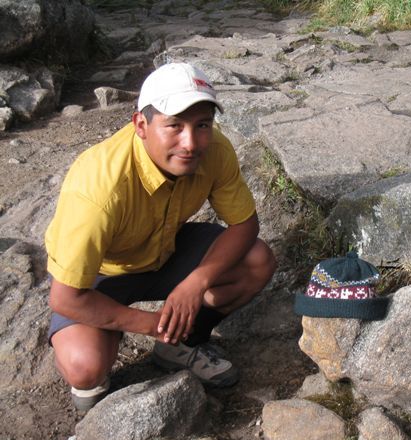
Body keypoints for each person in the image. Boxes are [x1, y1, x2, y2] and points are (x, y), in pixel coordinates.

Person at [45, 62, 276, 413]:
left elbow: (245, 225)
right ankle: (131, 339)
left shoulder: (216, 151)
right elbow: (65, 298)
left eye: (202, 125)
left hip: (165, 249)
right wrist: (152, 324)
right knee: (85, 368)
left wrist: (196, 282)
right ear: (141, 125)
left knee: (257, 261)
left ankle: (181, 344)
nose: (191, 143)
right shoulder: (98, 188)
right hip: (100, 275)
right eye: (174, 126)